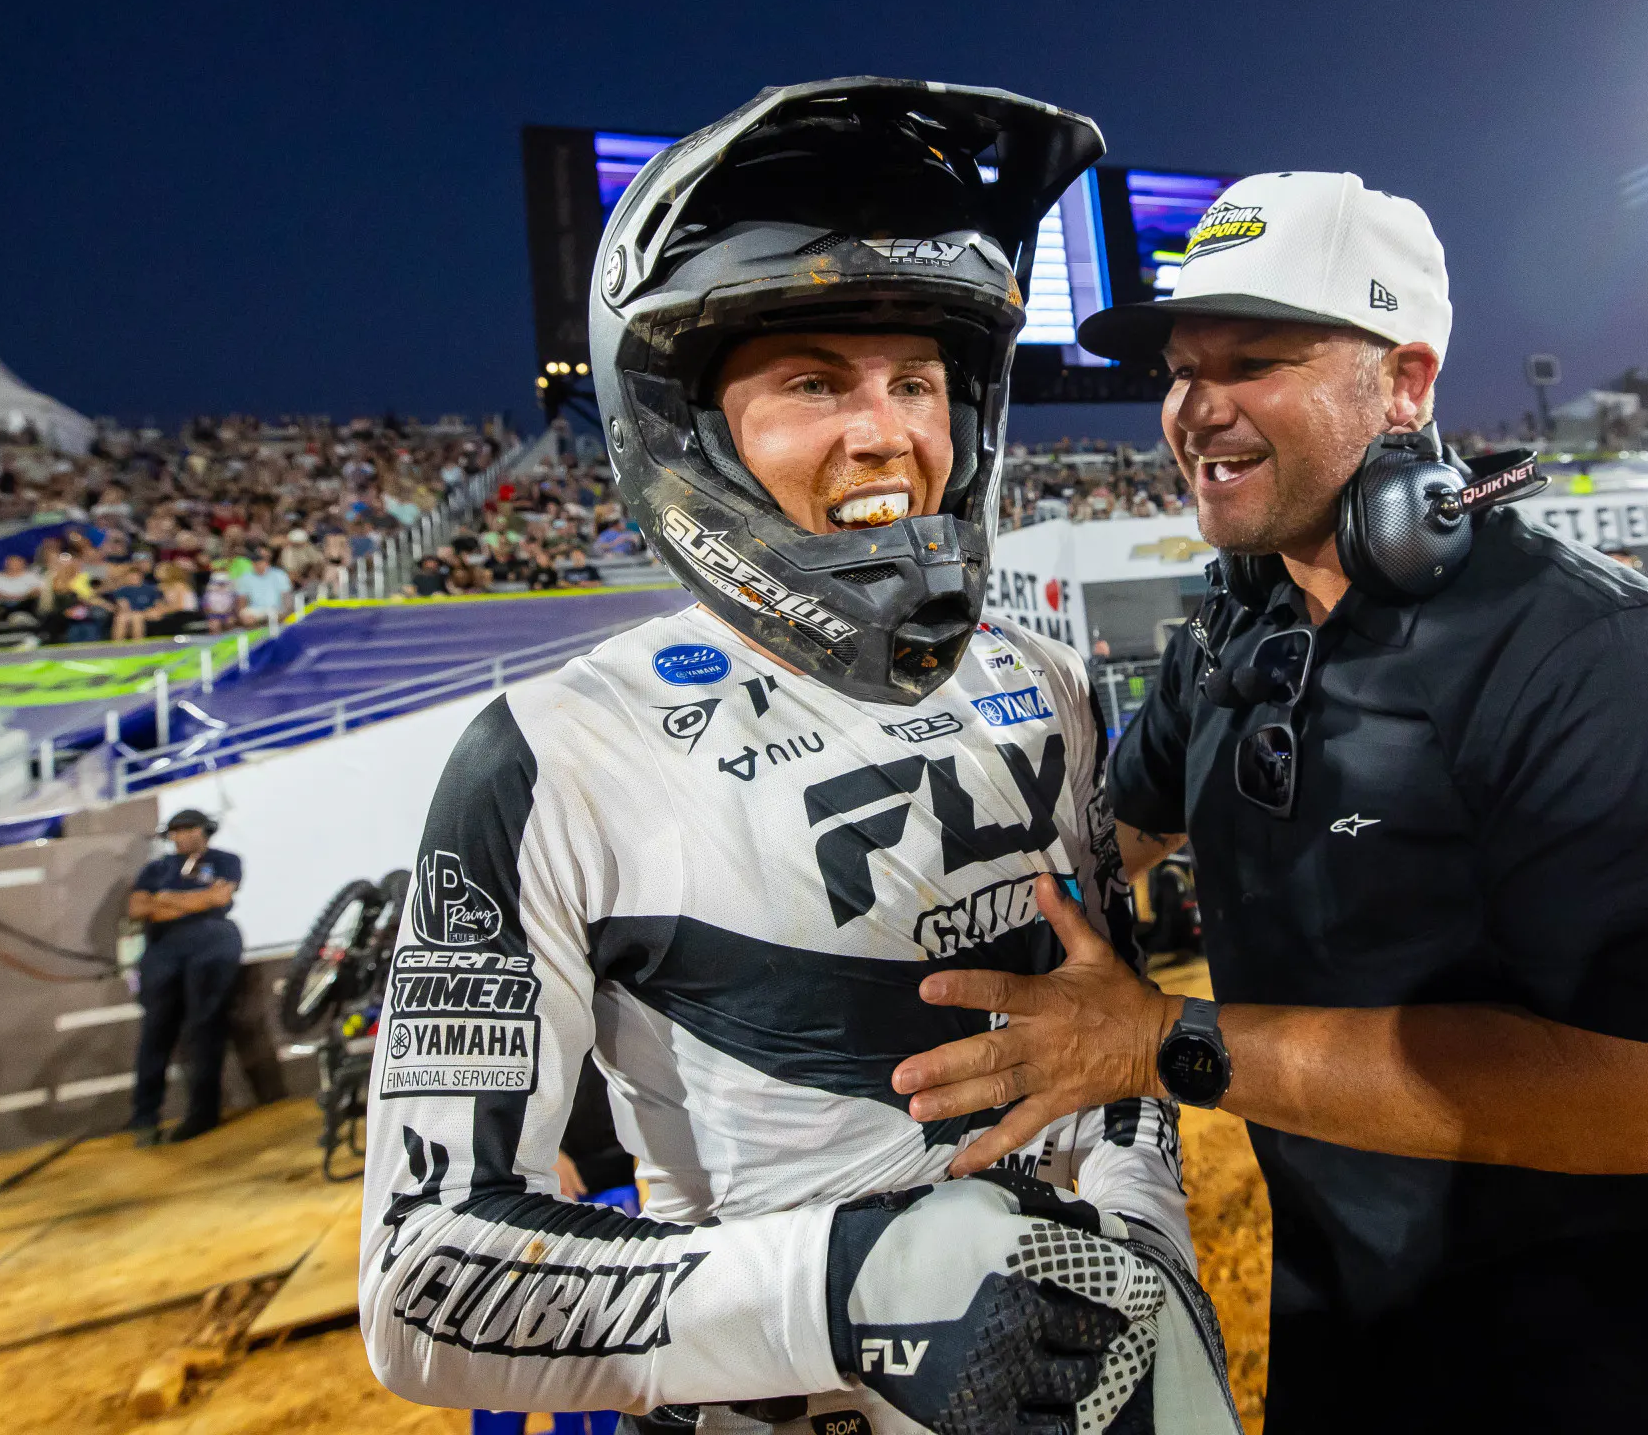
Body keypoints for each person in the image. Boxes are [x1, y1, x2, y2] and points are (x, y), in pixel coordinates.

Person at [361, 78, 1231, 1434]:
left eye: (917, 382)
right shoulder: (550, 754)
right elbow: (422, 1280)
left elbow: (1106, 1050)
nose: (885, 430)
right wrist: (857, 1290)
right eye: (814, 382)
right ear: (692, 427)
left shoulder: (1040, 684)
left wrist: (1150, 1283)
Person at [890, 172, 1648, 1430]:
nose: (1193, 408)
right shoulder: (1233, 631)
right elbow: (1108, 838)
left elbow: (1635, 1100)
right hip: (1351, 1347)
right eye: (1179, 367)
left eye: (1254, 358)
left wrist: (1165, 1041)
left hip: (1626, 1375)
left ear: (1405, 384)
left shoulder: (1603, 656)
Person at [125, 809, 245, 1146]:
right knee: (155, 1032)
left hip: (211, 945)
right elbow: (137, 908)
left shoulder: (225, 860)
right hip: (162, 951)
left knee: (204, 1028)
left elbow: (220, 897)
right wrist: (198, 901)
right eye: (175, 831)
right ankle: (145, 1118)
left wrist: (164, 901)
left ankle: (202, 1114)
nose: (181, 836)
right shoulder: (155, 868)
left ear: (205, 830)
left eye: (189, 828)